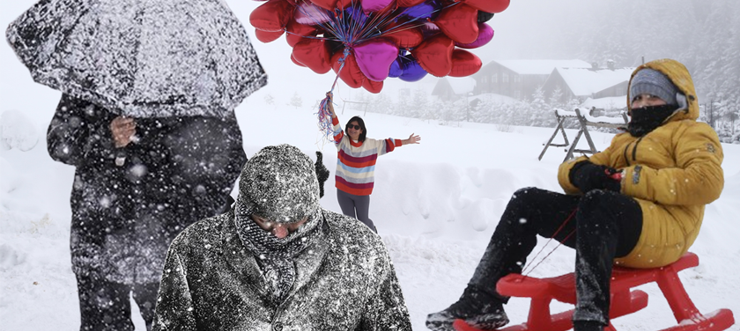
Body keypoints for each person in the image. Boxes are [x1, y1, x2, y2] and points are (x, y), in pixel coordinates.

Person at [426, 58, 724, 331]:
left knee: (599, 202)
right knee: (527, 201)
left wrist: (625, 179)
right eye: (637, 98)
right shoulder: (625, 140)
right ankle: (482, 301)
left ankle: (591, 318)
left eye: (653, 97)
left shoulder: (690, 132)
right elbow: (572, 170)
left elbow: (706, 182)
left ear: (677, 100)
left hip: (666, 232)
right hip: (616, 225)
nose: (644, 104)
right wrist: (579, 173)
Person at [151, 144, 412, 331]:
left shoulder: (361, 248)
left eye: (293, 222)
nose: (279, 233)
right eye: (264, 220)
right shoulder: (194, 249)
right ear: (244, 206)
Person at [47, 94, 247, 331]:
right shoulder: (95, 77)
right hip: (99, 238)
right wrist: (105, 135)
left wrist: (190, 212)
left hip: (168, 246)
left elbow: (230, 159)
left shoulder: (197, 84)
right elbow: (59, 145)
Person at [325, 92, 421, 232]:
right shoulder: (342, 142)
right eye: (350, 126)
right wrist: (332, 110)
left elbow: (390, 143)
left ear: (361, 130)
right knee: (350, 222)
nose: (352, 129)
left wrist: (408, 141)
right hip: (343, 191)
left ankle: (373, 235)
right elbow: (336, 127)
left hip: (361, 193)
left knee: (363, 221)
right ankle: (356, 245)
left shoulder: (371, 145)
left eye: (356, 127)